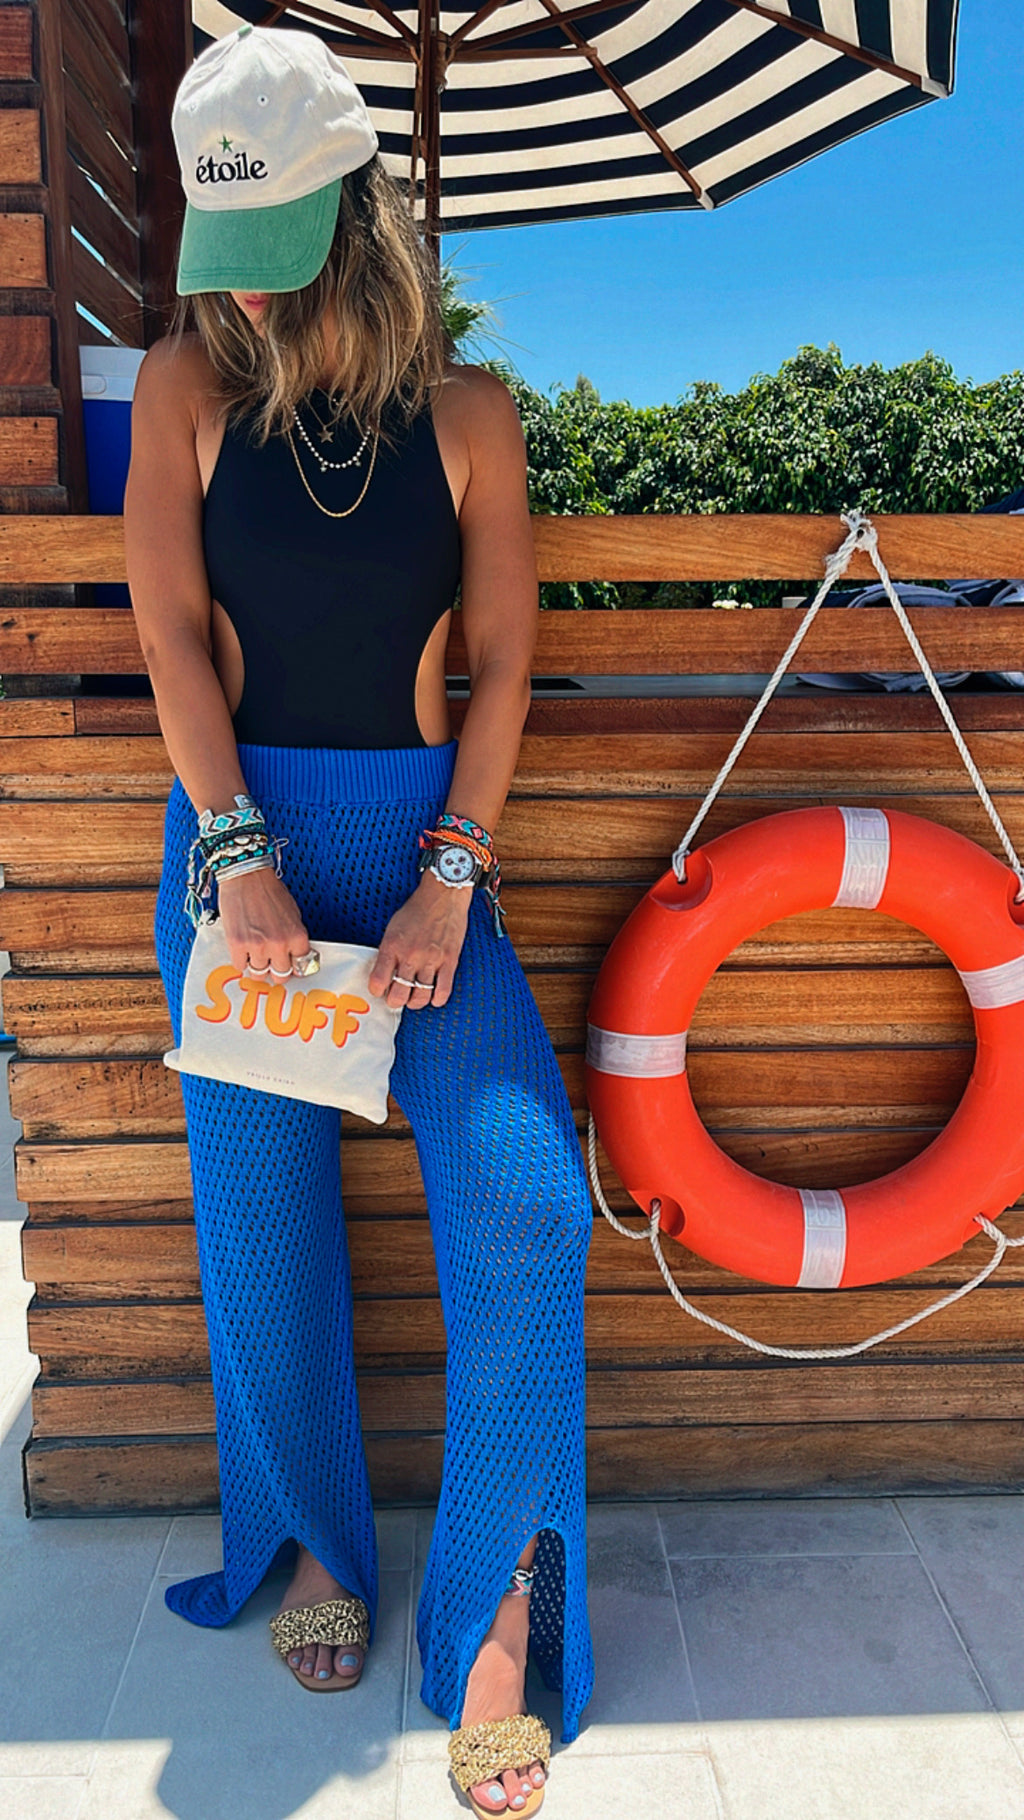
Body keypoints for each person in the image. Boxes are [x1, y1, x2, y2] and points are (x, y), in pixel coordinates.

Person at [124, 22, 594, 1818]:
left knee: (522, 1205)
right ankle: (317, 1546)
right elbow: (171, 633)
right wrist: (234, 850)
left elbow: (507, 657)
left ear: (359, 217)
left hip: (426, 856)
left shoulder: (472, 417)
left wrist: (452, 872)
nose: (241, 307)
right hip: (236, 846)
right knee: (254, 1215)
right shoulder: (187, 388)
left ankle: (490, 1616)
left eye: (271, 266)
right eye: (217, 274)